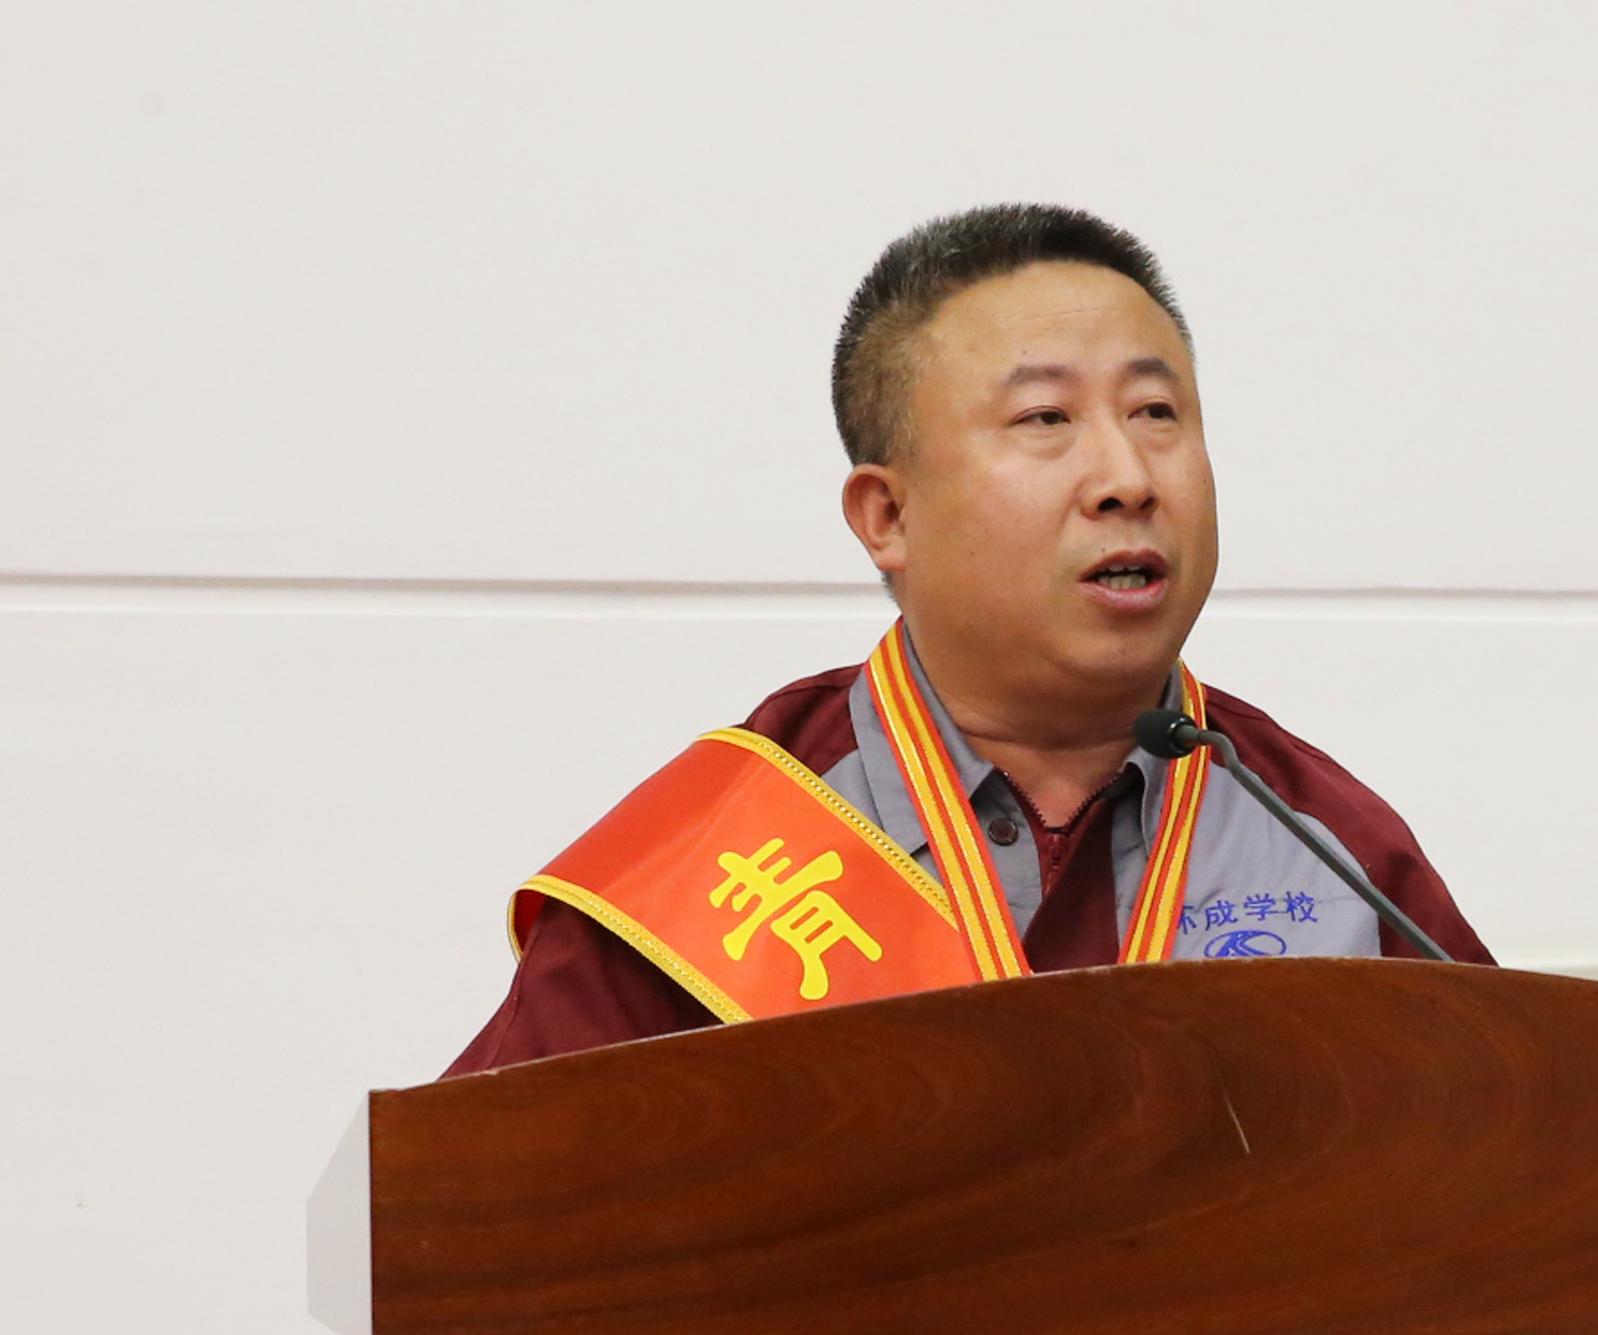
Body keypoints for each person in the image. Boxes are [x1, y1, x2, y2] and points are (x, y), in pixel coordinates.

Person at [446, 204, 1491, 1078]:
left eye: (1156, 411)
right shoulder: (724, 853)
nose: (1128, 477)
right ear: (887, 516)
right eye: (1046, 419)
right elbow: (482, 1206)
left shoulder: (1324, 843)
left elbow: (1514, 1172)